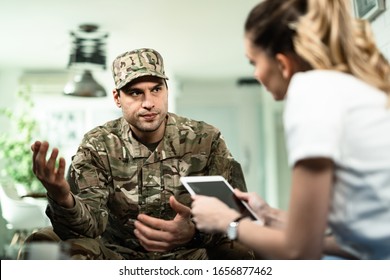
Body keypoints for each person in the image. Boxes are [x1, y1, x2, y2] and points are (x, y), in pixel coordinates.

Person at [191, 0, 390, 260]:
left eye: (254, 62)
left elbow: (299, 252)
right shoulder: (351, 88)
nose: (255, 75)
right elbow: (358, 243)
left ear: (283, 64)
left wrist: (227, 222)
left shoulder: (310, 91)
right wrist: (271, 217)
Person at [27, 48, 255, 260]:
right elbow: (87, 228)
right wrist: (61, 196)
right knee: (49, 243)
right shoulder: (97, 145)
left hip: (191, 255)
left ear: (167, 90)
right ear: (117, 98)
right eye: (135, 93)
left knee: (247, 249)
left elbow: (236, 217)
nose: (148, 103)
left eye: (156, 89)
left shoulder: (206, 140)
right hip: (118, 258)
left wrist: (193, 232)